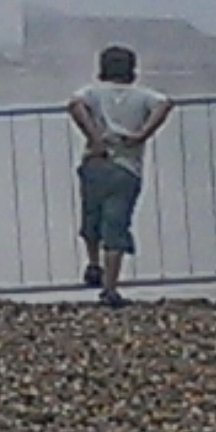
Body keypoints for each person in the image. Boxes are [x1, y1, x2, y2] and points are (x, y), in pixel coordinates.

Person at [65, 45, 173, 307]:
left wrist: (93, 137)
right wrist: (143, 134)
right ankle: (110, 288)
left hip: (94, 162)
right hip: (126, 168)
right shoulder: (142, 95)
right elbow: (165, 103)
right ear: (132, 69)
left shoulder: (93, 92)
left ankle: (93, 265)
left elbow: (74, 104)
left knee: (92, 218)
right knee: (116, 225)